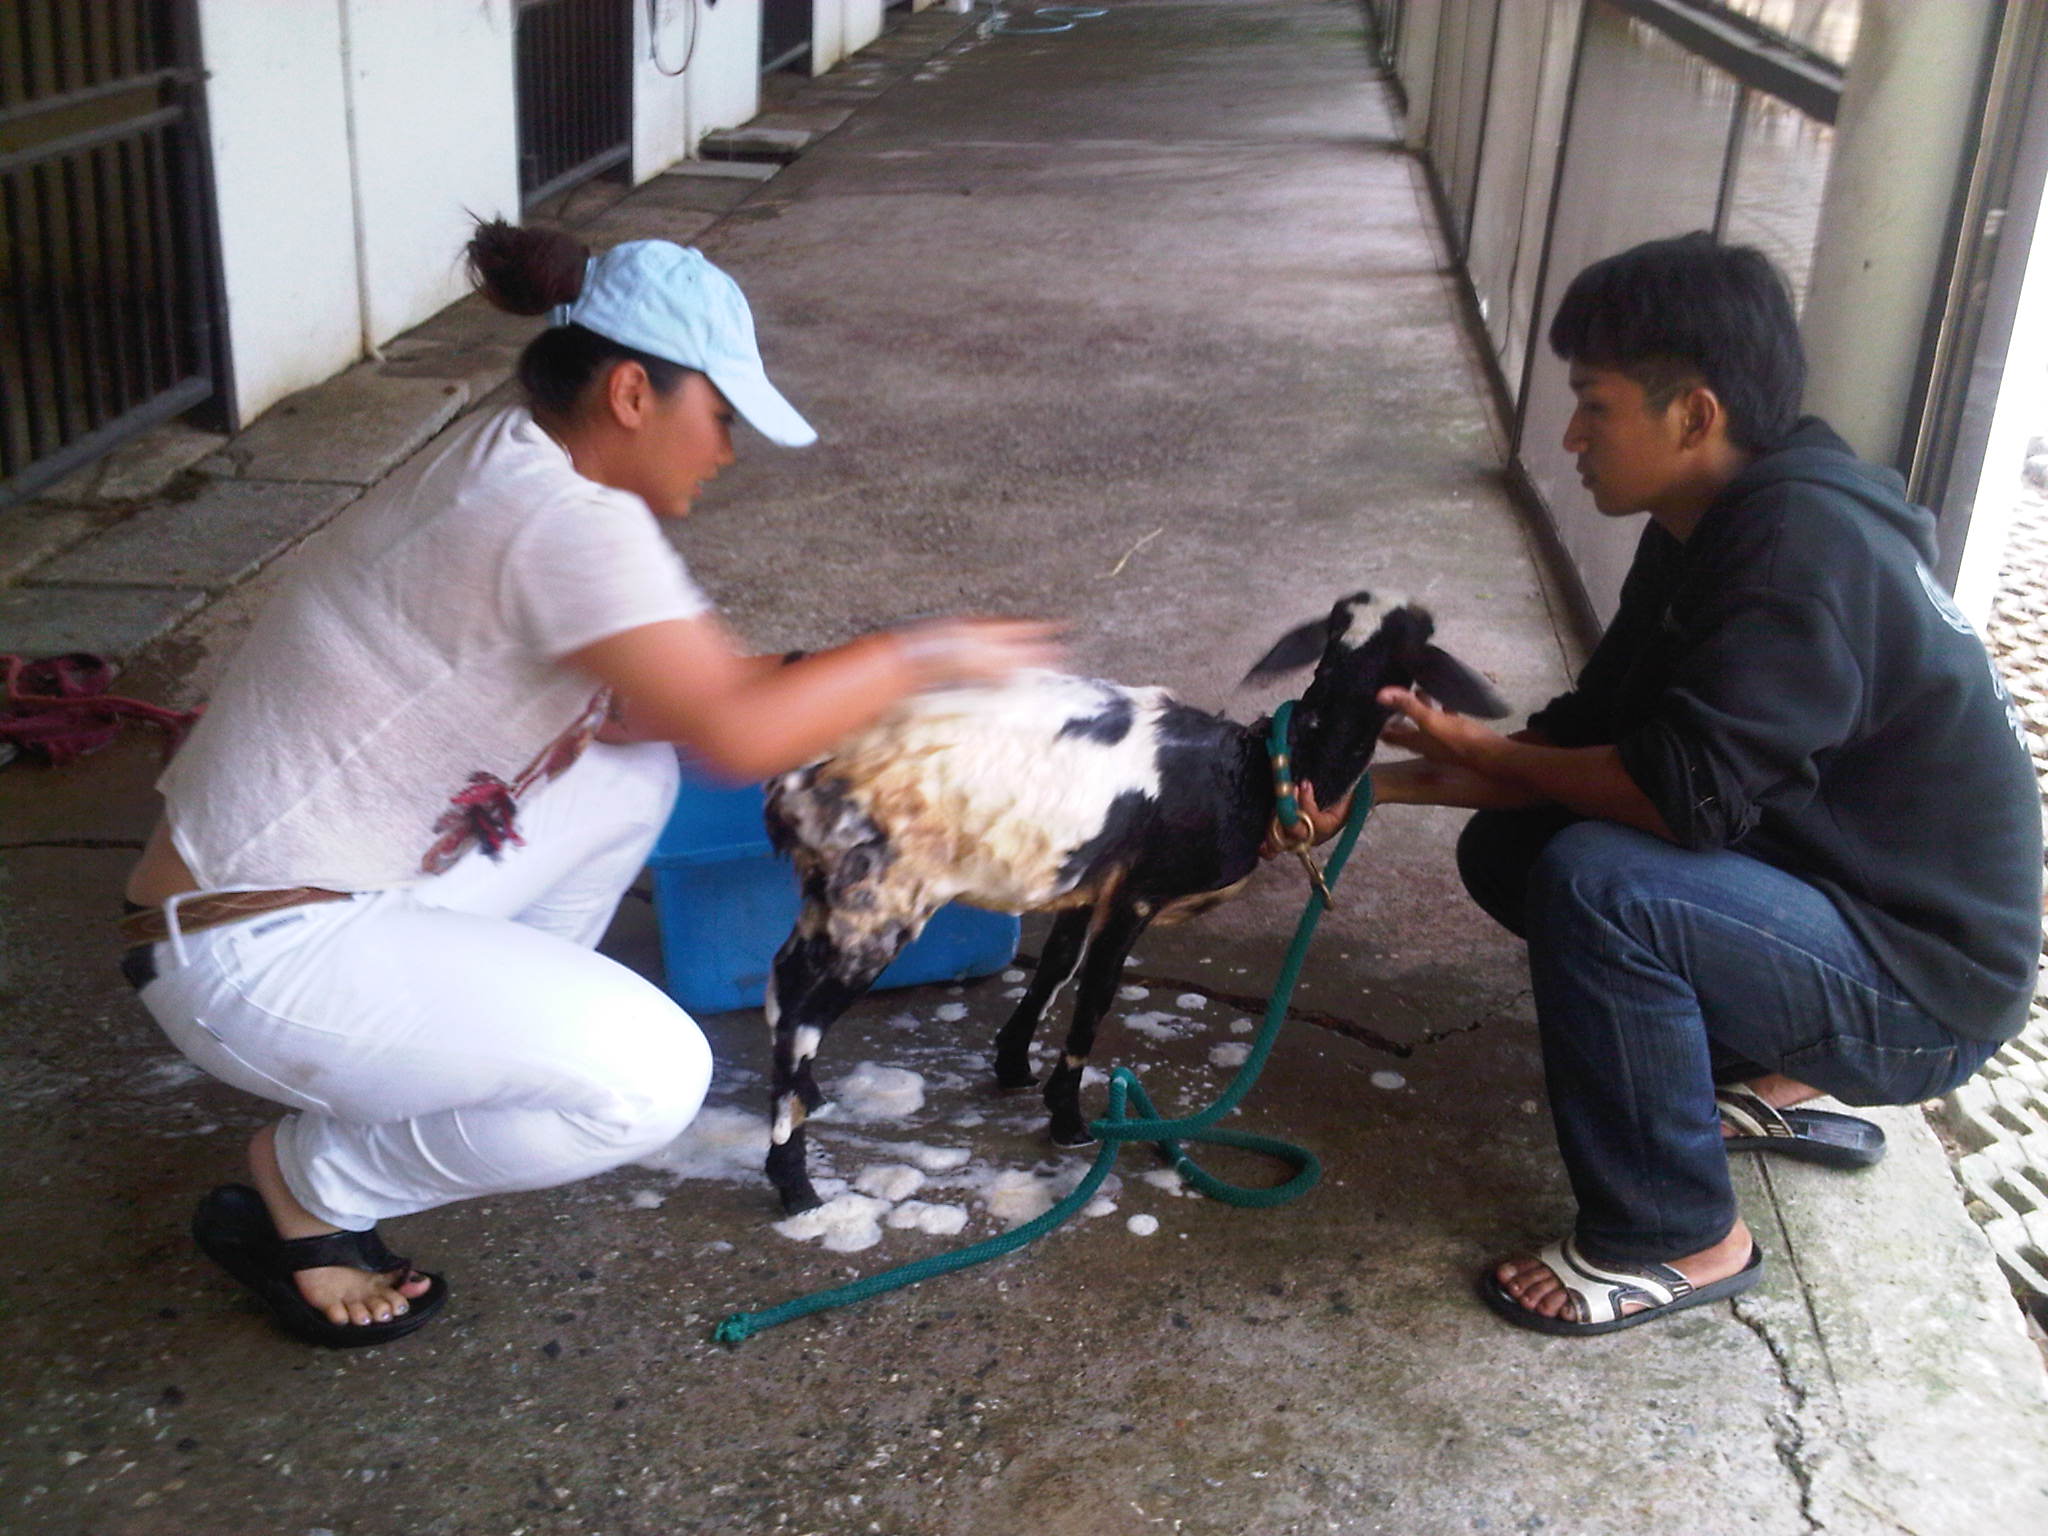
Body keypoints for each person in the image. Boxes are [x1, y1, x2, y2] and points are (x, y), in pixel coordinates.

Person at [121, 222, 1059, 1347]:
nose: (724, 450)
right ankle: (314, 1185)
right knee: (651, 1082)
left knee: (625, 768)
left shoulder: (511, 453)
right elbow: (738, 733)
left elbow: (662, 704)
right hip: (248, 952)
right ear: (630, 392)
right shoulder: (565, 521)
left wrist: (855, 684)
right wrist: (923, 656)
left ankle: (478, 1051)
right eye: (718, 417)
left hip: (293, 891)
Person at [1299, 232, 2041, 1335]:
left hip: (1922, 994)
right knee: (1517, 849)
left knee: (1603, 885)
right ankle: (1758, 1076)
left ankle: (1676, 1233)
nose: (1570, 436)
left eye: (1593, 405)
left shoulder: (1798, 550)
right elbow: (1592, 739)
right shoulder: (1716, 518)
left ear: (1691, 413)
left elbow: (1668, 798)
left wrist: (1482, 752)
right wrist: (1370, 791)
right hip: (1848, 901)